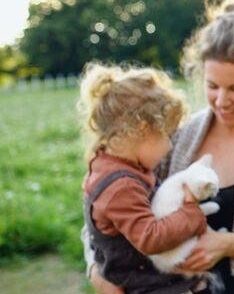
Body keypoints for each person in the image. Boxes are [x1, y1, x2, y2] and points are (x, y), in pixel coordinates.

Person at [87, 0, 234, 294]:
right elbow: (105, 208)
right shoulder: (171, 138)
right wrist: (97, 271)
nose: (222, 100)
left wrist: (227, 245)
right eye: (212, 86)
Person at [79, 63, 208, 293]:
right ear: (143, 130)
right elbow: (151, 238)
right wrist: (191, 214)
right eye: (166, 135)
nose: (169, 146)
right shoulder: (121, 186)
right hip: (143, 286)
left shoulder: (110, 165)